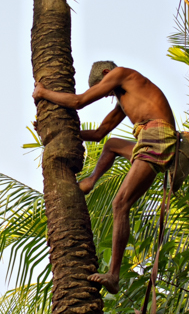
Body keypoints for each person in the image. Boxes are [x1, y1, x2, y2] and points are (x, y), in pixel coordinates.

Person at [32, 61, 178, 294]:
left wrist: (42, 93)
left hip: (157, 137)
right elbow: (100, 134)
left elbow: (79, 101)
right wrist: (57, 132)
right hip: (149, 140)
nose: (109, 94)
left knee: (120, 204)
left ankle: (114, 275)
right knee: (111, 145)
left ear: (107, 74)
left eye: (107, 89)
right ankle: (91, 180)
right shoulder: (126, 98)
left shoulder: (121, 74)